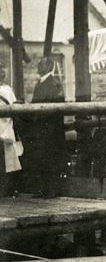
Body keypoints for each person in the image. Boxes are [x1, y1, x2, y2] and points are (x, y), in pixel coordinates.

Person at [22, 57, 65, 197]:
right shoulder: (40, 84)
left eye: (41, 64)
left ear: (49, 66)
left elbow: (54, 109)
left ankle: (51, 190)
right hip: (41, 128)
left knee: (50, 158)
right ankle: (44, 189)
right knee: (41, 159)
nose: (38, 66)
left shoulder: (54, 84)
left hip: (50, 129)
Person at [0, 63, 21, 194]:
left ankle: (6, 188)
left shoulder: (7, 88)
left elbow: (13, 104)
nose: (2, 74)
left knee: (9, 158)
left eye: (2, 71)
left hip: (6, 124)